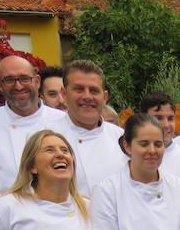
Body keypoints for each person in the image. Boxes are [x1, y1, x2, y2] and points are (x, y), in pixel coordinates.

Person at [0, 55, 62, 191]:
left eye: (24, 78)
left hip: (57, 208)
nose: (18, 86)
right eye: (9, 80)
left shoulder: (62, 120)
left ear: (37, 81)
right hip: (5, 210)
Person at [52, 60, 126, 197]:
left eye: (94, 90)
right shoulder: (45, 137)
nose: (87, 96)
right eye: (79, 89)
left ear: (104, 97)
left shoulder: (123, 139)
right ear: (64, 94)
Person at [140, 91, 180, 178]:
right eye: (158, 118)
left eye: (170, 119)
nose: (166, 125)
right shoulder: (133, 156)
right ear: (142, 119)